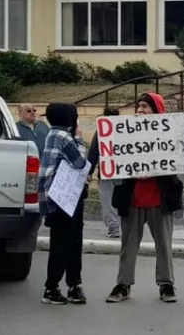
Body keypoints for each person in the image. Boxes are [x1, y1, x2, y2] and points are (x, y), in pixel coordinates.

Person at [107, 93, 183, 304]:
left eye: (145, 107)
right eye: (138, 107)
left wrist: (155, 171)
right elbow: (115, 159)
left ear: (156, 111)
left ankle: (166, 284)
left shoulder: (170, 135)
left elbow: (176, 163)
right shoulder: (125, 134)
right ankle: (123, 284)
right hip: (132, 199)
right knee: (128, 246)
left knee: (164, 246)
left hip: (160, 199)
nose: (140, 110)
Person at [37, 103, 89, 306]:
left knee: (73, 240)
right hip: (62, 198)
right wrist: (79, 138)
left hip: (67, 196)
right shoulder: (63, 136)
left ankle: (74, 284)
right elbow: (80, 162)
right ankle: (52, 287)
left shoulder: (54, 133)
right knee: (64, 242)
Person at [88, 107, 121, 239]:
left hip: (106, 170)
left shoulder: (102, 130)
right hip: (124, 170)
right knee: (122, 198)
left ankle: (113, 227)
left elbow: (94, 152)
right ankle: (124, 224)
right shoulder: (124, 128)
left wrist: (89, 171)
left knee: (107, 200)